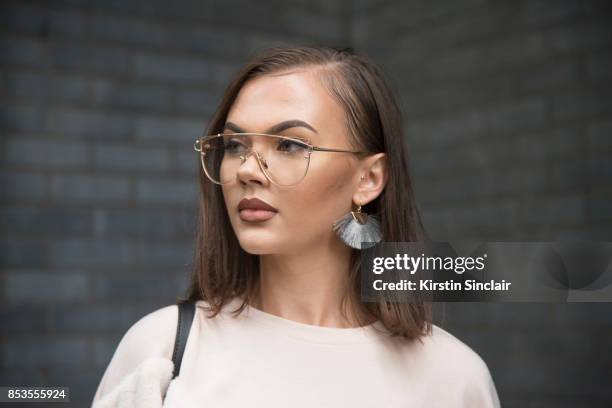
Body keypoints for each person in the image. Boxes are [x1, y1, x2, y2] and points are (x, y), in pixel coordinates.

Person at [92, 44, 501, 407]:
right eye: (235, 145)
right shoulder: (161, 350)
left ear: (369, 179)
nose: (248, 170)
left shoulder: (455, 379)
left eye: (290, 145)